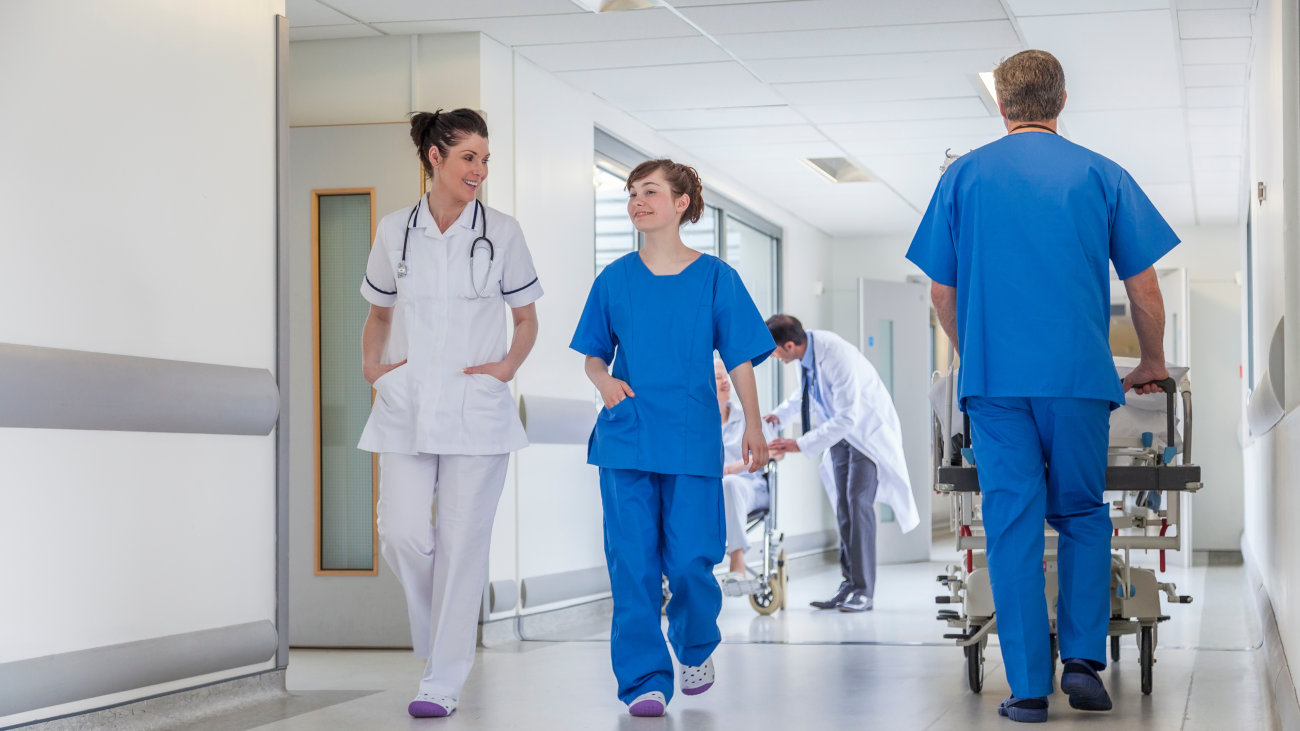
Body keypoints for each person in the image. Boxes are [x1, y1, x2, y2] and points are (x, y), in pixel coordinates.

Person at [906, 50, 1177, 723]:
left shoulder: (962, 176)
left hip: (997, 385)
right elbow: (1143, 287)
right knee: (1083, 512)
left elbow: (941, 294)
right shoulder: (1102, 174)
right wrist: (1152, 359)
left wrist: (980, 355)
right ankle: (1083, 658)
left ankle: (1028, 688)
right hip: (1080, 380)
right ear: (1061, 103)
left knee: (1012, 525)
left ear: (1001, 106)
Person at [570, 159, 774, 718]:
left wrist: (753, 425)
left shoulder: (716, 278)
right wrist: (603, 379)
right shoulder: (613, 279)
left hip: (689, 439)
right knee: (632, 564)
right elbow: (592, 352)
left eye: (650, 191)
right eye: (632, 193)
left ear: (681, 203)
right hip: (627, 437)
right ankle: (643, 680)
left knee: (689, 560)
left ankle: (693, 645)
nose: (637, 200)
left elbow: (740, 358)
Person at [356, 108, 543, 719]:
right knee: (403, 533)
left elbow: (526, 317)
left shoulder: (504, 231)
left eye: (485, 159)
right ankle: (442, 638)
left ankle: (441, 679)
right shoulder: (394, 230)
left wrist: (508, 368)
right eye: (469, 157)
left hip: (476, 408)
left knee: (464, 546)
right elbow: (380, 311)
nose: (480, 170)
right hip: (407, 403)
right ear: (434, 157)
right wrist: (371, 368)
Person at [764, 315, 919, 613]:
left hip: (864, 435)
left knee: (858, 503)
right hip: (838, 437)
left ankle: (864, 591)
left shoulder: (836, 355)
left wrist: (798, 444)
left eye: (775, 352)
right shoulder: (806, 357)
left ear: (790, 345)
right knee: (844, 509)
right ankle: (848, 584)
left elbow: (849, 417)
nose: (774, 357)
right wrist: (780, 416)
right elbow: (805, 395)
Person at [714, 358, 776, 582]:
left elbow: (773, 452)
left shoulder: (747, 419)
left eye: (726, 377)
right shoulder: (699, 424)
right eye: (718, 378)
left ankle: (737, 562)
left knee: (730, 484)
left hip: (749, 488)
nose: (726, 383)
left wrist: (731, 468)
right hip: (712, 491)